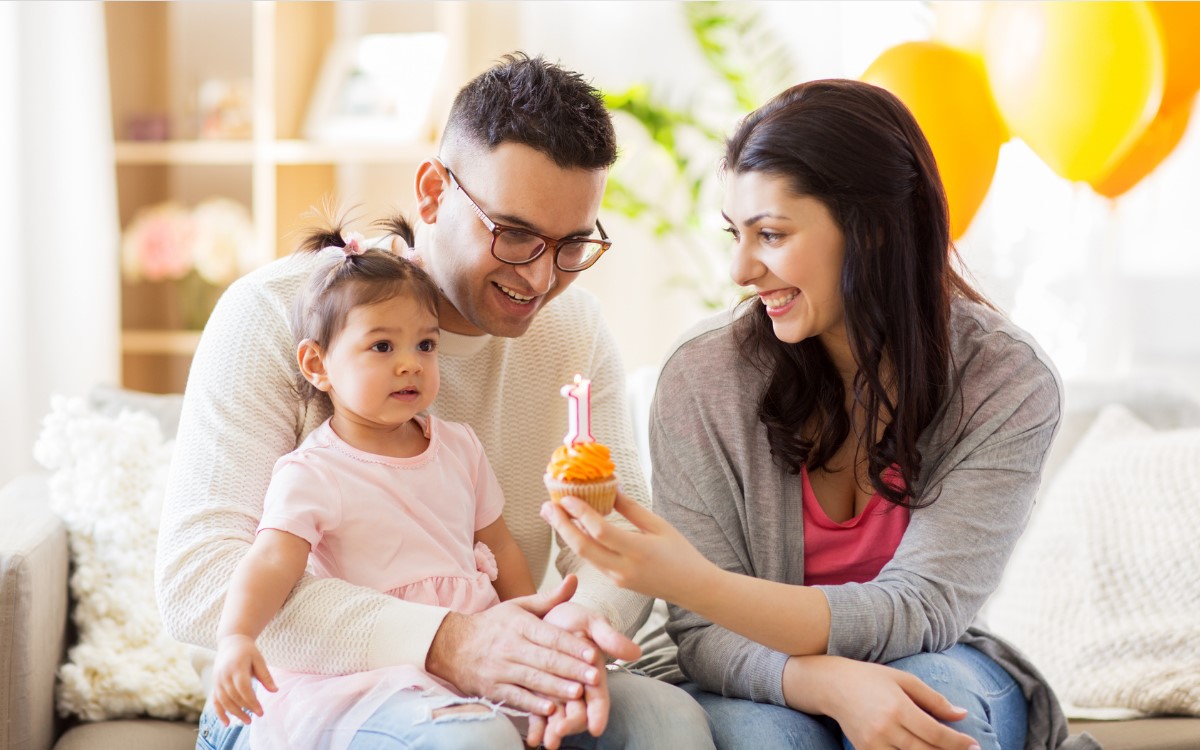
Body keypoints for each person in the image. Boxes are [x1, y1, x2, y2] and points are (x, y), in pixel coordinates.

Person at [157, 54, 715, 750]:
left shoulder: (574, 332)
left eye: (571, 244)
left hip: (484, 671)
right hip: (296, 698)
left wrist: (559, 652)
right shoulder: (275, 316)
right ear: (431, 192)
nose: (541, 278)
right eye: (514, 235)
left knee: (669, 723)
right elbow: (197, 583)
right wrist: (447, 642)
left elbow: (619, 536)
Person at [542, 79, 1098, 750]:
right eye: (735, 235)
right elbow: (705, 636)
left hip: (933, 654)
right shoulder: (704, 377)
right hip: (751, 673)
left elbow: (923, 608)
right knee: (773, 742)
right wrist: (827, 683)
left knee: (933, 714)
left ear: (873, 230)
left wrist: (693, 582)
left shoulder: (1004, 381)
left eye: (770, 235)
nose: (740, 270)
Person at [209, 221, 544, 748]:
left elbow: (499, 546)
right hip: (370, 676)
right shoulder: (315, 471)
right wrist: (237, 636)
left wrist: (533, 629)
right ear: (318, 364)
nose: (410, 364)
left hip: (468, 658)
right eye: (383, 346)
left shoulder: (459, 447)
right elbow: (272, 561)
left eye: (426, 344)